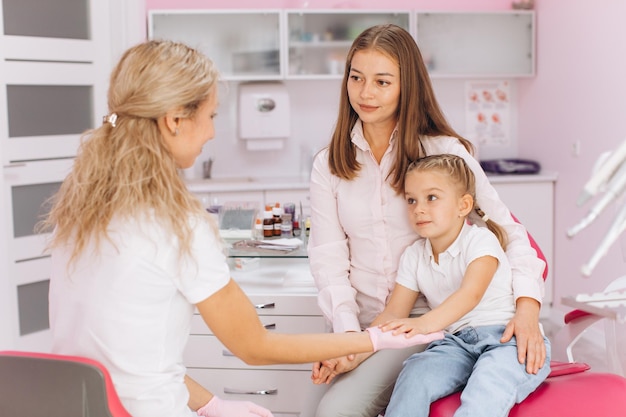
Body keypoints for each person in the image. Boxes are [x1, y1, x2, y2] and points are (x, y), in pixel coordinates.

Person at [40, 40, 436, 417]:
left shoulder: (80, 217)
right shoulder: (178, 226)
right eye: (210, 116)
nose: (212, 132)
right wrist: (372, 339)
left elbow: (125, 361)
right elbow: (255, 345)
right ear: (175, 121)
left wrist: (210, 403)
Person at [307, 24, 547, 417]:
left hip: (428, 324)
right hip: (370, 325)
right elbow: (329, 262)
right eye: (356, 77)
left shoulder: (443, 153)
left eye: (382, 82)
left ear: (407, 86)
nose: (365, 93)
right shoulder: (330, 165)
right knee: (311, 409)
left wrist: (528, 309)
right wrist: (349, 340)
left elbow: (510, 234)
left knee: (337, 412)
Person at [380, 154, 551, 417]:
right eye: (411, 200)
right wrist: (356, 346)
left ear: (464, 205)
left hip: (506, 340)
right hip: (455, 344)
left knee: (486, 388)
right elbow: (393, 313)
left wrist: (424, 324)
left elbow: (470, 294)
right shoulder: (413, 255)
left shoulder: (481, 241)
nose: (419, 208)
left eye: (432, 197)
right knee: (414, 376)